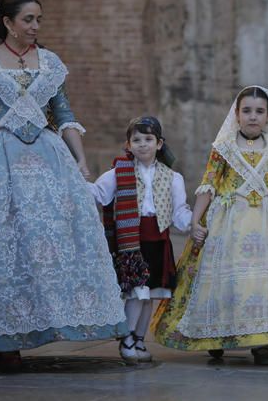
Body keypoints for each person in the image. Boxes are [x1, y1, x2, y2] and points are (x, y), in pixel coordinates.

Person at [0, 0, 126, 372]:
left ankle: (50, 323)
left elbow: (64, 113)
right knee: (3, 247)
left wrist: (80, 160)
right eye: (28, 20)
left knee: (47, 243)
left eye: (39, 20)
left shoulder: (51, 63)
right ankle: (4, 341)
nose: (36, 27)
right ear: (7, 23)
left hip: (46, 159)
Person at [152, 86, 268, 365]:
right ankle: (219, 336)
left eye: (259, 112)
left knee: (260, 282)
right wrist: (197, 221)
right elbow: (208, 185)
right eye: (246, 111)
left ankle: (261, 341)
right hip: (228, 222)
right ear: (236, 114)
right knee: (228, 281)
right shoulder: (223, 148)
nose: (252, 117)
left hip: (266, 224)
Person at [90, 116, 192, 363]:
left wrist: (195, 222)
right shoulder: (118, 173)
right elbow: (98, 194)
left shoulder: (173, 178)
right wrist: (75, 184)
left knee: (150, 296)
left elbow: (179, 213)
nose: (142, 144)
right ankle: (126, 339)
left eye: (148, 139)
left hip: (158, 241)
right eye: (137, 140)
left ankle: (139, 339)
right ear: (128, 145)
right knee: (138, 294)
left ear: (159, 144)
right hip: (131, 242)